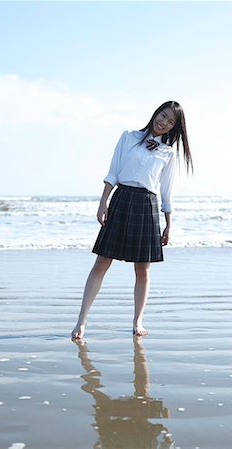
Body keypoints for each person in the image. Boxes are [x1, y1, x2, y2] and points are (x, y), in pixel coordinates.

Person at [72, 100, 193, 339]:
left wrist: (169, 223)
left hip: (147, 204)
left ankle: (138, 321)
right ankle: (81, 322)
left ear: (174, 128)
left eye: (170, 122)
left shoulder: (168, 153)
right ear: (156, 112)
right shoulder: (128, 137)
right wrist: (103, 202)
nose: (164, 123)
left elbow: (167, 190)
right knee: (101, 264)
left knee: (143, 271)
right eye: (163, 116)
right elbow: (113, 172)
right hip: (121, 199)